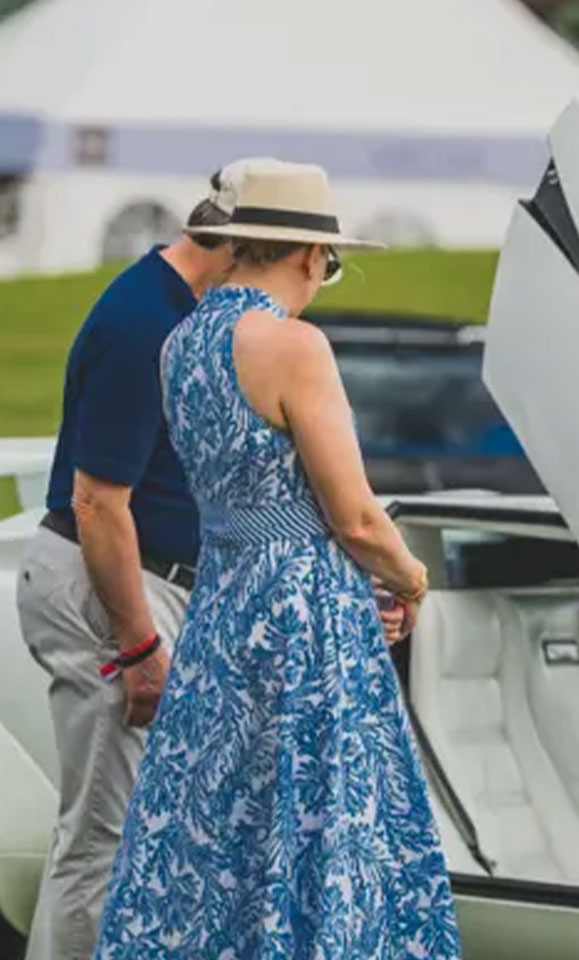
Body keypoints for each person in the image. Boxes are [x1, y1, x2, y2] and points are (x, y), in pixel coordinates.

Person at [93, 160, 461, 958]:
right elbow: (355, 517)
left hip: (223, 612)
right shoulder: (294, 346)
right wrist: (410, 578)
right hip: (304, 624)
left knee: (222, 831)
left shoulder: (181, 346)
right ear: (308, 255)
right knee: (319, 825)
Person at [15, 162, 250, 960]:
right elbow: (97, 504)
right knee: (105, 838)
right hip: (108, 588)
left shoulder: (172, 311)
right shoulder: (146, 324)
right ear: (240, 247)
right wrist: (140, 643)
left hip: (132, 584)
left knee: (127, 833)